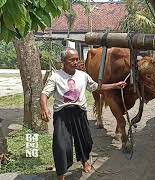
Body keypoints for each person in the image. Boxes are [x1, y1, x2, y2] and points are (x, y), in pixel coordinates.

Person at [40, 47, 126, 180]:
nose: (75, 62)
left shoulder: (83, 76)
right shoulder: (56, 77)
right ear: (63, 61)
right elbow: (44, 94)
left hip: (79, 113)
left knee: (85, 141)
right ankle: (61, 174)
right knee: (62, 145)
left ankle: (85, 161)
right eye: (71, 60)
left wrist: (115, 85)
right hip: (62, 114)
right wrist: (45, 108)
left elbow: (97, 87)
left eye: (76, 59)